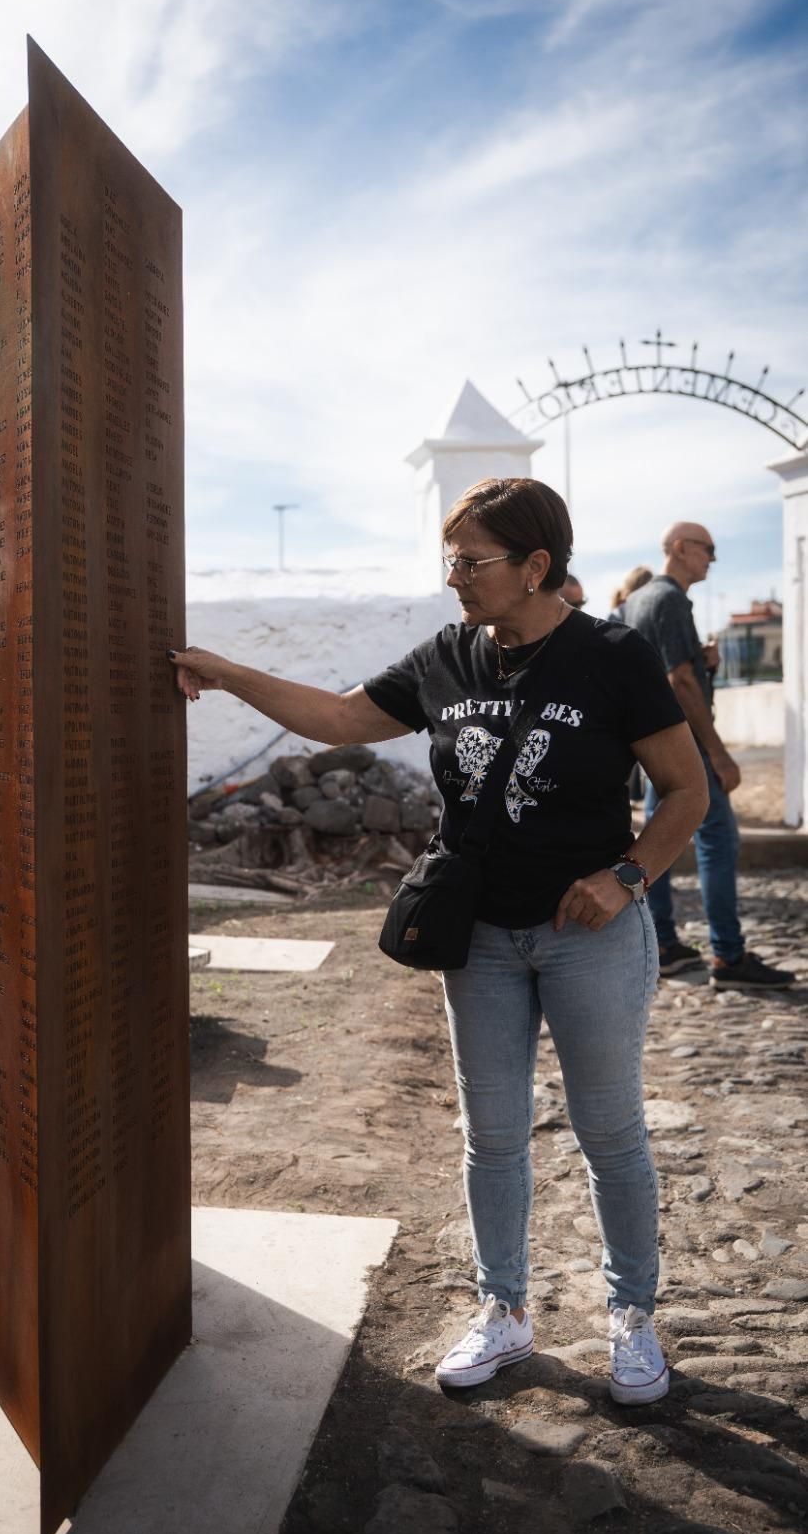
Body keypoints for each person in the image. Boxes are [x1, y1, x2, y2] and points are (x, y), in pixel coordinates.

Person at [171, 477, 708, 1406]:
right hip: (482, 940)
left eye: (472, 561)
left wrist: (625, 880)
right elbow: (342, 718)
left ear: (537, 566)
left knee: (609, 1131)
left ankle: (632, 1316)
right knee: (492, 1137)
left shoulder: (612, 656)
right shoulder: (448, 657)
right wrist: (232, 675)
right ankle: (503, 1310)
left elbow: (686, 792)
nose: (454, 576)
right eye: (449, 559)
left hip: (589, 937)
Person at [623, 524, 794, 989]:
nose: (713, 560)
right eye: (708, 550)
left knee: (656, 845)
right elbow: (679, 681)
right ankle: (729, 956)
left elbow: (666, 669)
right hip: (685, 748)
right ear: (681, 549)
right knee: (719, 842)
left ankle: (662, 943)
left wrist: (703, 662)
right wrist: (718, 755)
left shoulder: (635, 601)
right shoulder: (670, 599)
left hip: (651, 746)